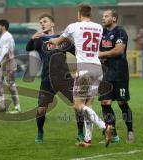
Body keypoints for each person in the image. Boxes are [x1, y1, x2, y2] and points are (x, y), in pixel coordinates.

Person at [50, 4, 112, 147]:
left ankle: (104, 127)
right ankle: (87, 140)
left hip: (84, 69)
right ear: (90, 14)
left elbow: (58, 41)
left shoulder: (73, 26)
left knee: (78, 105)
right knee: (88, 106)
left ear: (79, 14)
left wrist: (51, 40)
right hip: (97, 68)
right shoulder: (99, 27)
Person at [26, 14, 85, 144]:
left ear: (52, 24)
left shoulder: (62, 39)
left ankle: (80, 132)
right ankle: (40, 132)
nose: (42, 24)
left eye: (45, 21)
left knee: (78, 105)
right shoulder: (39, 40)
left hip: (65, 79)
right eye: (40, 22)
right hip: (47, 80)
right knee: (41, 109)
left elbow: (78, 53)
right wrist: (31, 39)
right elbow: (28, 48)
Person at [98, 9, 134, 143]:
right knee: (105, 102)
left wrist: (101, 54)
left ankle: (130, 130)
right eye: (103, 16)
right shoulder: (101, 32)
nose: (103, 18)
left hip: (120, 72)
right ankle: (113, 134)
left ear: (114, 18)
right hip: (105, 73)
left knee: (122, 102)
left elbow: (119, 50)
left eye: (106, 16)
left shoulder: (120, 32)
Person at [0, 19, 21, 114]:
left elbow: (5, 52)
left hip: (8, 63)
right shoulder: (7, 36)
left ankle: (17, 107)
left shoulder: (6, 37)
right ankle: (2, 106)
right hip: (6, 63)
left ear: (3, 26)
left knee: (11, 85)